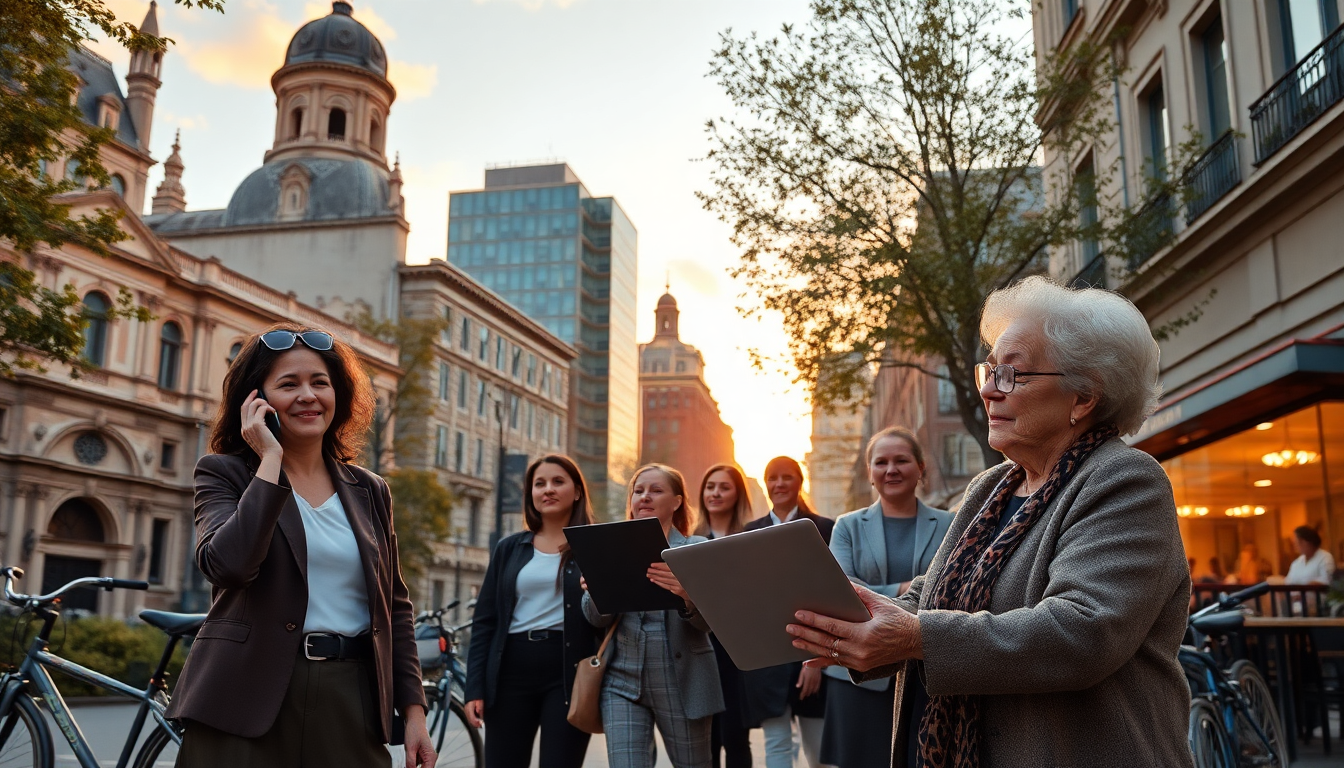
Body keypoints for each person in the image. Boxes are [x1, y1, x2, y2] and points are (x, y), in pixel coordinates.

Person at [786, 276, 1193, 767]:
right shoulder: (990, 488)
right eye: (989, 371)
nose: (988, 392)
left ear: (1083, 397)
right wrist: (858, 620)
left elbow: (1083, 632)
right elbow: (929, 595)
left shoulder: (1125, 480)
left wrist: (916, 637)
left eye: (1012, 375)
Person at [169, 324, 434, 767]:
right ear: (257, 400)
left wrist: (414, 712)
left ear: (339, 395)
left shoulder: (370, 490)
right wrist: (269, 461)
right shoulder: (223, 473)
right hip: (246, 695)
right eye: (288, 384)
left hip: (350, 699)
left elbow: (394, 606)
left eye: (320, 383)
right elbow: (229, 566)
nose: (308, 396)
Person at [821, 427, 952, 768]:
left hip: (927, 674)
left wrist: (880, 593)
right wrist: (905, 589)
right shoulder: (847, 526)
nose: (891, 469)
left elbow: (952, 589)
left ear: (921, 467)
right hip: (858, 673)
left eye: (901, 460)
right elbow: (842, 588)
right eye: (881, 462)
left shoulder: (953, 524)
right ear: (870, 473)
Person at [582, 464, 724, 768]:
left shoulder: (698, 549)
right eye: (638, 490)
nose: (644, 497)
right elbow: (595, 619)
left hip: (683, 682)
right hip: (622, 682)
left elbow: (713, 624)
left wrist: (687, 595)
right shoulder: (607, 548)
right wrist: (597, 590)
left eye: (656, 490)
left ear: (676, 502)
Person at [464, 455, 600, 768]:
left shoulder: (594, 546)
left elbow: (607, 616)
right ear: (531, 495)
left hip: (568, 674)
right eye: (539, 484)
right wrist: (475, 688)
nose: (547, 490)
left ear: (577, 492)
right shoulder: (509, 548)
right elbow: (485, 621)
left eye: (558, 482)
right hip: (510, 670)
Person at [742, 456, 833, 768]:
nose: (778, 484)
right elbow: (749, 602)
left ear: (800, 482)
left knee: (819, 751)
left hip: (814, 656)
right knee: (777, 748)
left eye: (786, 477)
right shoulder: (749, 533)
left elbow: (830, 597)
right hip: (768, 663)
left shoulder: (824, 529)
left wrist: (816, 662)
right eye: (772, 478)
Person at [695, 464, 756, 768]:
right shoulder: (686, 540)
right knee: (705, 740)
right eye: (710, 486)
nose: (715, 493)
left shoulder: (749, 538)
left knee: (735, 735)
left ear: (737, 495)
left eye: (724, 487)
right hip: (697, 647)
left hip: (736, 651)